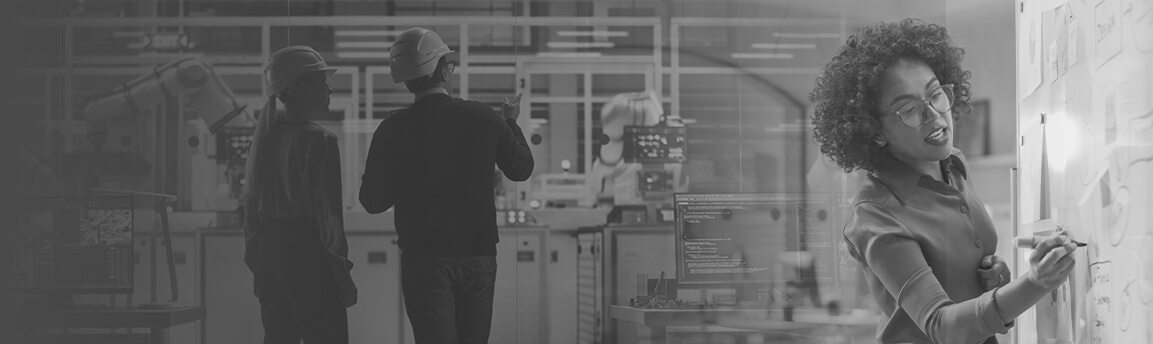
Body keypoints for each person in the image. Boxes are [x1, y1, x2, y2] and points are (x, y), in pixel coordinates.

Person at [809, 19, 1078, 344]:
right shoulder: (876, 215)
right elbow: (942, 326)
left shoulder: (954, 165)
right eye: (909, 109)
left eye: (936, 94)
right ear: (874, 132)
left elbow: (965, 275)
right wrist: (1036, 281)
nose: (934, 115)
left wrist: (995, 277)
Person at [359, 27, 534, 344]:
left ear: (407, 79)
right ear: (442, 70)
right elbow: (521, 169)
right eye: (449, 65)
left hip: (425, 261)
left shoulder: (391, 129)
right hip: (479, 258)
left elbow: (372, 201)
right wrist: (510, 121)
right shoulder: (483, 117)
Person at [243, 45, 357, 344]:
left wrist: (258, 264)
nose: (329, 89)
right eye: (322, 82)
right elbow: (329, 221)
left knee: (279, 336)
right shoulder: (321, 141)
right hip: (308, 252)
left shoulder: (265, 136)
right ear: (302, 88)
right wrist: (342, 276)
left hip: (270, 250)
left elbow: (251, 209)